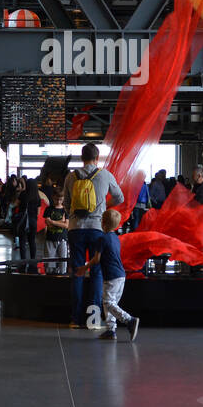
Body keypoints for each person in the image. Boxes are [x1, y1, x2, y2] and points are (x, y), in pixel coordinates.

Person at [63, 143, 124, 328]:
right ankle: (94, 320)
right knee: (97, 273)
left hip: (75, 229)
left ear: (82, 158)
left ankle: (76, 319)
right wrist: (103, 207)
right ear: (97, 158)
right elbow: (119, 197)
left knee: (77, 272)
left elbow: (66, 204)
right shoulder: (104, 175)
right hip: (98, 228)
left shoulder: (71, 176)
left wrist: (75, 215)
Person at [89, 208, 140, 341]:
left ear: (103, 223)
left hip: (111, 276)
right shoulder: (116, 238)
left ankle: (129, 320)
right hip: (120, 275)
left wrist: (85, 267)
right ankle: (111, 331)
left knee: (107, 302)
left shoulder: (102, 239)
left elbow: (96, 259)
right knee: (110, 304)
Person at [44, 193, 69, 272]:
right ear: (53, 198)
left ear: (63, 199)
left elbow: (66, 225)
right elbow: (48, 224)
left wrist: (53, 222)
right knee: (49, 262)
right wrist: (61, 222)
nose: (58, 201)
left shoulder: (65, 210)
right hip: (51, 238)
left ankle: (62, 275)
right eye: (56, 199)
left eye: (60, 200)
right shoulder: (49, 209)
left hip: (62, 238)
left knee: (63, 261)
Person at [18, 176, 41, 262]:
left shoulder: (23, 194)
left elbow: (16, 204)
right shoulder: (37, 197)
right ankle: (33, 260)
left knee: (22, 241)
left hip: (23, 220)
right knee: (32, 240)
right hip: (33, 221)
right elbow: (38, 212)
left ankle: (23, 260)